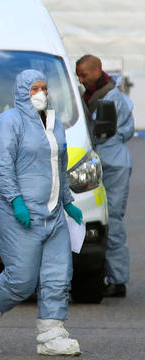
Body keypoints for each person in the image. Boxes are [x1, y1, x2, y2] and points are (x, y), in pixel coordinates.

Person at [0, 70, 82, 356]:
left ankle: (52, 334)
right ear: (20, 92)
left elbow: (59, 166)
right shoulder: (8, 123)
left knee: (58, 276)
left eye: (43, 88)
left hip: (52, 214)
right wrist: (16, 201)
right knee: (21, 278)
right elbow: (1, 169)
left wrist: (67, 201)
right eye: (34, 89)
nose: (41, 94)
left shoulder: (54, 123)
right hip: (20, 213)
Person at [76, 55, 134, 297]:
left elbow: (125, 130)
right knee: (94, 219)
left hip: (113, 164)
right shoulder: (88, 96)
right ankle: (98, 275)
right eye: (78, 75)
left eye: (84, 75)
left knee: (113, 219)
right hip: (97, 162)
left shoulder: (114, 99)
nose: (81, 79)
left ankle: (117, 280)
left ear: (97, 71)